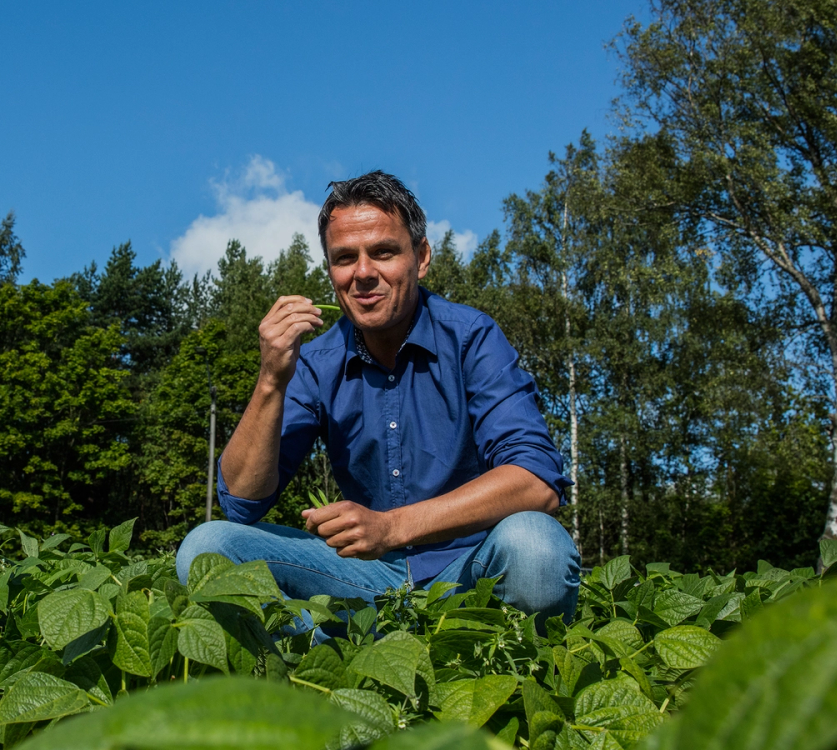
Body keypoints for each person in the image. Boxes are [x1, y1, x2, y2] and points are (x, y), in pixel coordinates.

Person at [175, 171, 580, 630]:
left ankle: (498, 673)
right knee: (208, 548)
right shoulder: (316, 363)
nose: (363, 273)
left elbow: (536, 480)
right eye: (345, 258)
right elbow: (242, 505)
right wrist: (271, 380)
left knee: (534, 545)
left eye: (383, 252)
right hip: (361, 578)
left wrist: (392, 528)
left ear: (421, 257)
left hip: (471, 570)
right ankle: (325, 668)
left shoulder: (471, 338)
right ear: (330, 271)